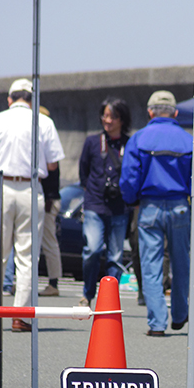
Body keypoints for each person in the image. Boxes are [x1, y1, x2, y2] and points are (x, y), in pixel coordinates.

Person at [0, 78, 65, 331]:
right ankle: (21, 316)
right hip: (29, 187)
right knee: (27, 255)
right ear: (31, 99)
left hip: (0, 186)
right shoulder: (43, 122)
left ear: (10, 99)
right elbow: (53, 165)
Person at [119, 90, 194, 336]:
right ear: (175, 113)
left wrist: (132, 200)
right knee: (181, 262)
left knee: (151, 265)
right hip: (180, 205)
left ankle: (157, 323)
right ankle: (180, 314)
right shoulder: (189, 140)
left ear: (150, 112)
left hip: (149, 206)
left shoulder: (138, 138)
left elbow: (128, 178)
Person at [78, 97, 131, 307]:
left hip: (120, 207)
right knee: (92, 250)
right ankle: (87, 293)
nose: (107, 120)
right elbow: (84, 173)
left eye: (112, 116)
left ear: (122, 119)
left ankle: (109, 299)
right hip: (94, 204)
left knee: (116, 256)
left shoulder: (130, 143)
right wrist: (90, 191)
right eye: (105, 115)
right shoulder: (92, 142)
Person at [38, 106, 63, 297]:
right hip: (48, 198)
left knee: (48, 241)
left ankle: (54, 282)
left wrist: (49, 199)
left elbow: (51, 177)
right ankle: (52, 282)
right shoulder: (48, 148)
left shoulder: (46, 150)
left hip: (48, 199)